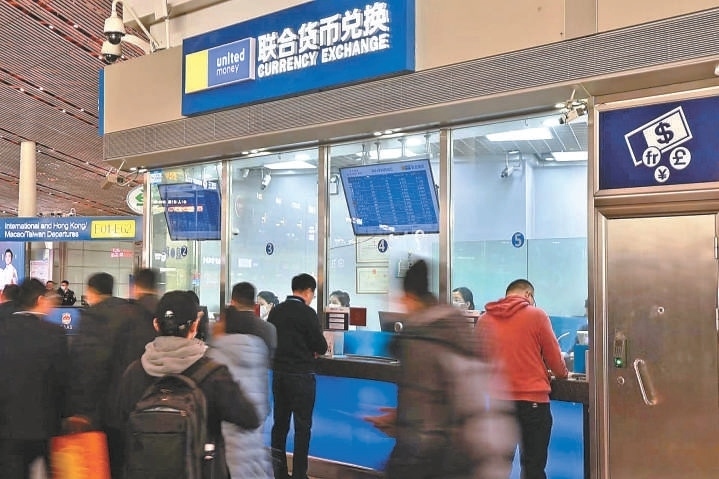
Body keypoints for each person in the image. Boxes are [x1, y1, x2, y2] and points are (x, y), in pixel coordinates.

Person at [366, 260, 517, 479]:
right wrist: (400, 416)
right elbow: (445, 396)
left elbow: (423, 409)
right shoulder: (455, 329)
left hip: (429, 457)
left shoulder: (421, 337)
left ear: (409, 297)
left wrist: (404, 422)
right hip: (465, 454)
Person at [115, 290, 260, 479]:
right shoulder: (213, 374)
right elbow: (249, 418)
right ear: (194, 326)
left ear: (156, 324)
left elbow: (120, 424)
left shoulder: (134, 372)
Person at [478, 279, 569, 479]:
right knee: (533, 468)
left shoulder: (485, 319)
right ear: (528, 295)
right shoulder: (537, 315)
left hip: (498, 404)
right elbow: (555, 360)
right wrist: (561, 373)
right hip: (533, 404)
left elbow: (479, 360)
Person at [67, 272, 154, 479]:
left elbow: (87, 367)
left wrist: (80, 409)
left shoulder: (93, 318)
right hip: (131, 405)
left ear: (91, 292)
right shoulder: (132, 313)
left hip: (101, 411)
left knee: (101, 466)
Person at [0, 278, 69, 479]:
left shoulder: (3, 330)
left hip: (6, 426)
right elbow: (62, 379)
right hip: (43, 424)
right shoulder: (54, 333)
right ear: (39, 300)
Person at [209, 282, 276, 479]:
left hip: (227, 428)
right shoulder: (265, 335)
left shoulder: (215, 352)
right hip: (255, 411)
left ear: (233, 300)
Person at [268, 273, 328, 479]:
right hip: (302, 377)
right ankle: (299, 474)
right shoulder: (308, 313)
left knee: (279, 426)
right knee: (302, 428)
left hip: (279, 375)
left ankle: (279, 473)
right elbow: (321, 346)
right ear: (309, 292)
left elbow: (271, 340)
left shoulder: (276, 311)